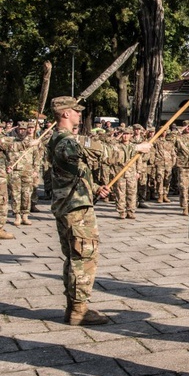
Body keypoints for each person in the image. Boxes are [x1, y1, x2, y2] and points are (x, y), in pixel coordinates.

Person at [48, 96, 150, 325]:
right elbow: (101, 152)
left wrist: (93, 187)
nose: (78, 114)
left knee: (74, 257)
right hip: (75, 208)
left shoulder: (57, 140)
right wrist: (136, 148)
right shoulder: (67, 141)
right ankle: (78, 310)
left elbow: (70, 172)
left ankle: (74, 306)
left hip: (71, 203)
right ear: (65, 114)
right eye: (75, 111)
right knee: (84, 258)